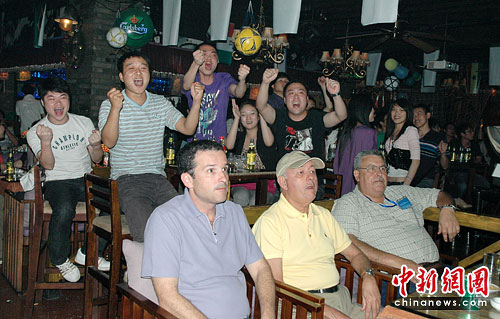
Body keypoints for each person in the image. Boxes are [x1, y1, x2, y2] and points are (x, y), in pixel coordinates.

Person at [142, 140, 275, 319]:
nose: (223, 178)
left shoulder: (234, 213)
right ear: (188, 180)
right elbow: (167, 297)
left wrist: (268, 315)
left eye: (225, 169)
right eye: (211, 170)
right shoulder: (166, 219)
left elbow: (260, 269)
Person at [252, 151, 380, 319]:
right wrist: (327, 311)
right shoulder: (271, 222)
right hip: (300, 306)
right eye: (301, 172)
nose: (310, 177)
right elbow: (278, 287)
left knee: (398, 316)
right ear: (283, 182)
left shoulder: (323, 215)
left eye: (312, 171)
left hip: (341, 300)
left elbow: (355, 254)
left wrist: (368, 276)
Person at [99, 51, 204, 242]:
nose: (138, 74)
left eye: (143, 68)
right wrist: (116, 108)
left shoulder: (160, 103)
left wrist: (196, 102)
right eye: (131, 69)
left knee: (188, 223)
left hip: (158, 178)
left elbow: (187, 129)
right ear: (122, 77)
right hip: (127, 179)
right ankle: (143, 270)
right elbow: (108, 142)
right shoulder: (110, 104)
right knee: (147, 233)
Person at [26, 78, 106, 283]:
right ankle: (60, 259)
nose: (58, 103)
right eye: (51, 98)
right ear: (43, 103)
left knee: (115, 202)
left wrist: (96, 145)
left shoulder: (84, 122)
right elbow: (48, 165)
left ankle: (88, 251)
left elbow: (96, 159)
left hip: (85, 178)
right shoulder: (37, 130)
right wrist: (46, 141)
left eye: (63, 97)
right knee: (63, 209)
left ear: (69, 100)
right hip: (57, 181)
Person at [333, 150, 460, 273]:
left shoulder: (402, 192)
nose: (379, 173)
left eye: (382, 168)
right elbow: (347, 242)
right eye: (371, 169)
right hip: (395, 279)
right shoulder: (348, 203)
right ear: (357, 175)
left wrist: (448, 209)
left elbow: (440, 195)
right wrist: (401, 264)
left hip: (436, 269)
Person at [256, 69, 348, 199]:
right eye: (291, 93)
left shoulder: (316, 118)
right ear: (284, 100)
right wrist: (265, 83)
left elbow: (341, 115)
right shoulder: (279, 117)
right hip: (287, 182)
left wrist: (336, 94)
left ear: (306, 99)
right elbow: (261, 106)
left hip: (313, 183)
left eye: (300, 93)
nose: (296, 97)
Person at [182, 42, 250, 140]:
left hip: (218, 144)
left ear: (217, 61)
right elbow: (186, 86)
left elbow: (238, 92)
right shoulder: (193, 79)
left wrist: (243, 80)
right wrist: (195, 63)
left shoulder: (224, 78)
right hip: (194, 144)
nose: (209, 58)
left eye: (213, 55)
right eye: (204, 54)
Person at [226, 99, 277, 206]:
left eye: (252, 114)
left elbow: (269, 143)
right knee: (241, 197)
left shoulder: (266, 134)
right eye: (244, 115)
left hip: (264, 184)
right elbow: (229, 145)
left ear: (258, 116)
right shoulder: (239, 137)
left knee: (255, 201)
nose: (248, 118)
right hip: (242, 183)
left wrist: (262, 116)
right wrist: (236, 119)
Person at [334, 94, 377, 195]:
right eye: (371, 108)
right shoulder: (368, 133)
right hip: (359, 189)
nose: (374, 111)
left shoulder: (346, 131)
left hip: (342, 187)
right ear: (363, 110)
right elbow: (371, 164)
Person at [447, 123, 490, 207]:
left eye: (472, 131)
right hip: (456, 172)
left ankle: (479, 208)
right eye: (469, 132)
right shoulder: (454, 143)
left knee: (486, 185)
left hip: (470, 172)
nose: (472, 133)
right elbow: (449, 158)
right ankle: (456, 205)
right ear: (462, 134)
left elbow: (478, 158)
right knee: (462, 186)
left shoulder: (474, 144)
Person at [384, 99, 420, 185]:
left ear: (408, 113)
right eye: (394, 110)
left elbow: (416, 160)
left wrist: (406, 184)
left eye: (401, 110)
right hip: (387, 181)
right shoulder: (391, 131)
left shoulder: (411, 130)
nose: (396, 113)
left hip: (402, 181)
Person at [412, 104, 449, 188]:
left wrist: (443, 154)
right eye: (413, 115)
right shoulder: (410, 135)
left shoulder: (438, 138)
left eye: (419, 113)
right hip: (406, 177)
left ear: (428, 115)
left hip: (425, 179)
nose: (416, 118)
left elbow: (445, 166)